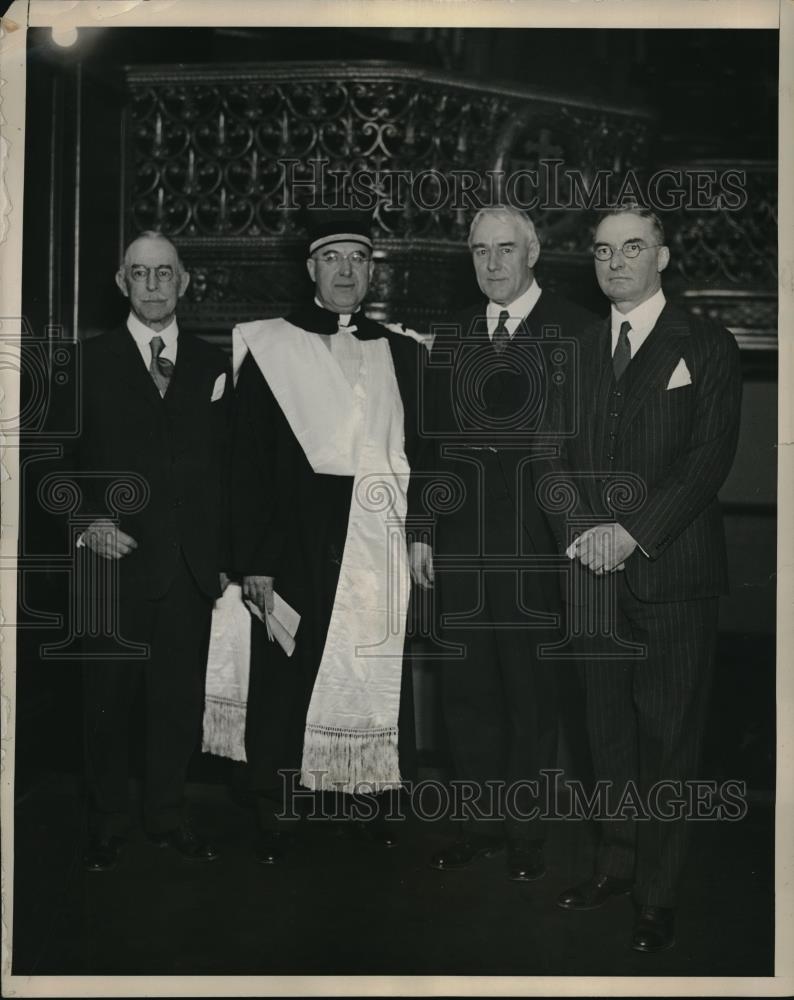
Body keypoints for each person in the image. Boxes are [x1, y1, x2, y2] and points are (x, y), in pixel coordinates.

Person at [548, 206, 742, 953]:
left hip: (674, 576)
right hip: (590, 576)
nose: (616, 261)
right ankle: (617, 866)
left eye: (633, 247)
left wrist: (631, 534)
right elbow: (547, 459)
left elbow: (706, 462)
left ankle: (658, 896)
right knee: (606, 735)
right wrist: (581, 534)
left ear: (663, 255)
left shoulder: (708, 343)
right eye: (603, 250)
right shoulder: (574, 349)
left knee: (667, 740)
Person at [225, 212, 422, 862]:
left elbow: (424, 452)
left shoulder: (400, 350)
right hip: (294, 539)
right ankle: (276, 807)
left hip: (374, 535)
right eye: (331, 258)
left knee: (368, 665)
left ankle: (364, 798)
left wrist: (417, 532)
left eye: (356, 259)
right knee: (290, 674)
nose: (344, 271)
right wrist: (255, 558)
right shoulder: (272, 349)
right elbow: (245, 463)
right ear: (311, 268)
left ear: (371, 270)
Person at [411, 206, 595, 882]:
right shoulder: (454, 332)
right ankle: (480, 823)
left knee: (530, 688)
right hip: (461, 536)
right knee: (468, 688)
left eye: (505, 250)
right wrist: (422, 531)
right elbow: (429, 443)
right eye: (480, 251)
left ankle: (524, 829)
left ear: (534, 251)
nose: (492, 264)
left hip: (536, 539)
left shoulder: (576, 328)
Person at [47, 232, 232, 871]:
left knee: (177, 704)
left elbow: (231, 469)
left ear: (184, 283)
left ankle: (166, 815)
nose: (152, 285)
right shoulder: (86, 361)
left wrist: (226, 554)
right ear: (122, 284)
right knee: (107, 702)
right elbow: (48, 462)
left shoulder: (215, 367)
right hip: (109, 567)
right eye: (139, 274)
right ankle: (107, 821)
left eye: (164, 273)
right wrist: (87, 518)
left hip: (186, 569)